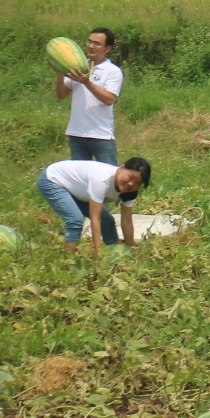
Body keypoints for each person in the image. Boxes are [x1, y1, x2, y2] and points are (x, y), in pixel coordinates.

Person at [36, 158, 151, 252]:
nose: (131, 184)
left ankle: (116, 255)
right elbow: (95, 219)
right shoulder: (102, 180)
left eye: (137, 183)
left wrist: (129, 250)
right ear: (121, 168)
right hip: (53, 180)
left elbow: (127, 221)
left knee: (108, 221)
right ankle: (68, 264)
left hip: (80, 190)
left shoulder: (130, 192)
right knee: (75, 220)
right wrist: (98, 253)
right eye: (130, 177)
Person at [56, 27, 122, 164]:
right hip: (76, 133)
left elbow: (109, 99)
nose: (91, 46)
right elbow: (61, 95)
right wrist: (59, 72)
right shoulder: (76, 67)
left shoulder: (113, 71)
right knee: (81, 179)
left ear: (107, 48)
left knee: (108, 177)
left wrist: (87, 82)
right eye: (89, 42)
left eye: (97, 43)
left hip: (101, 135)